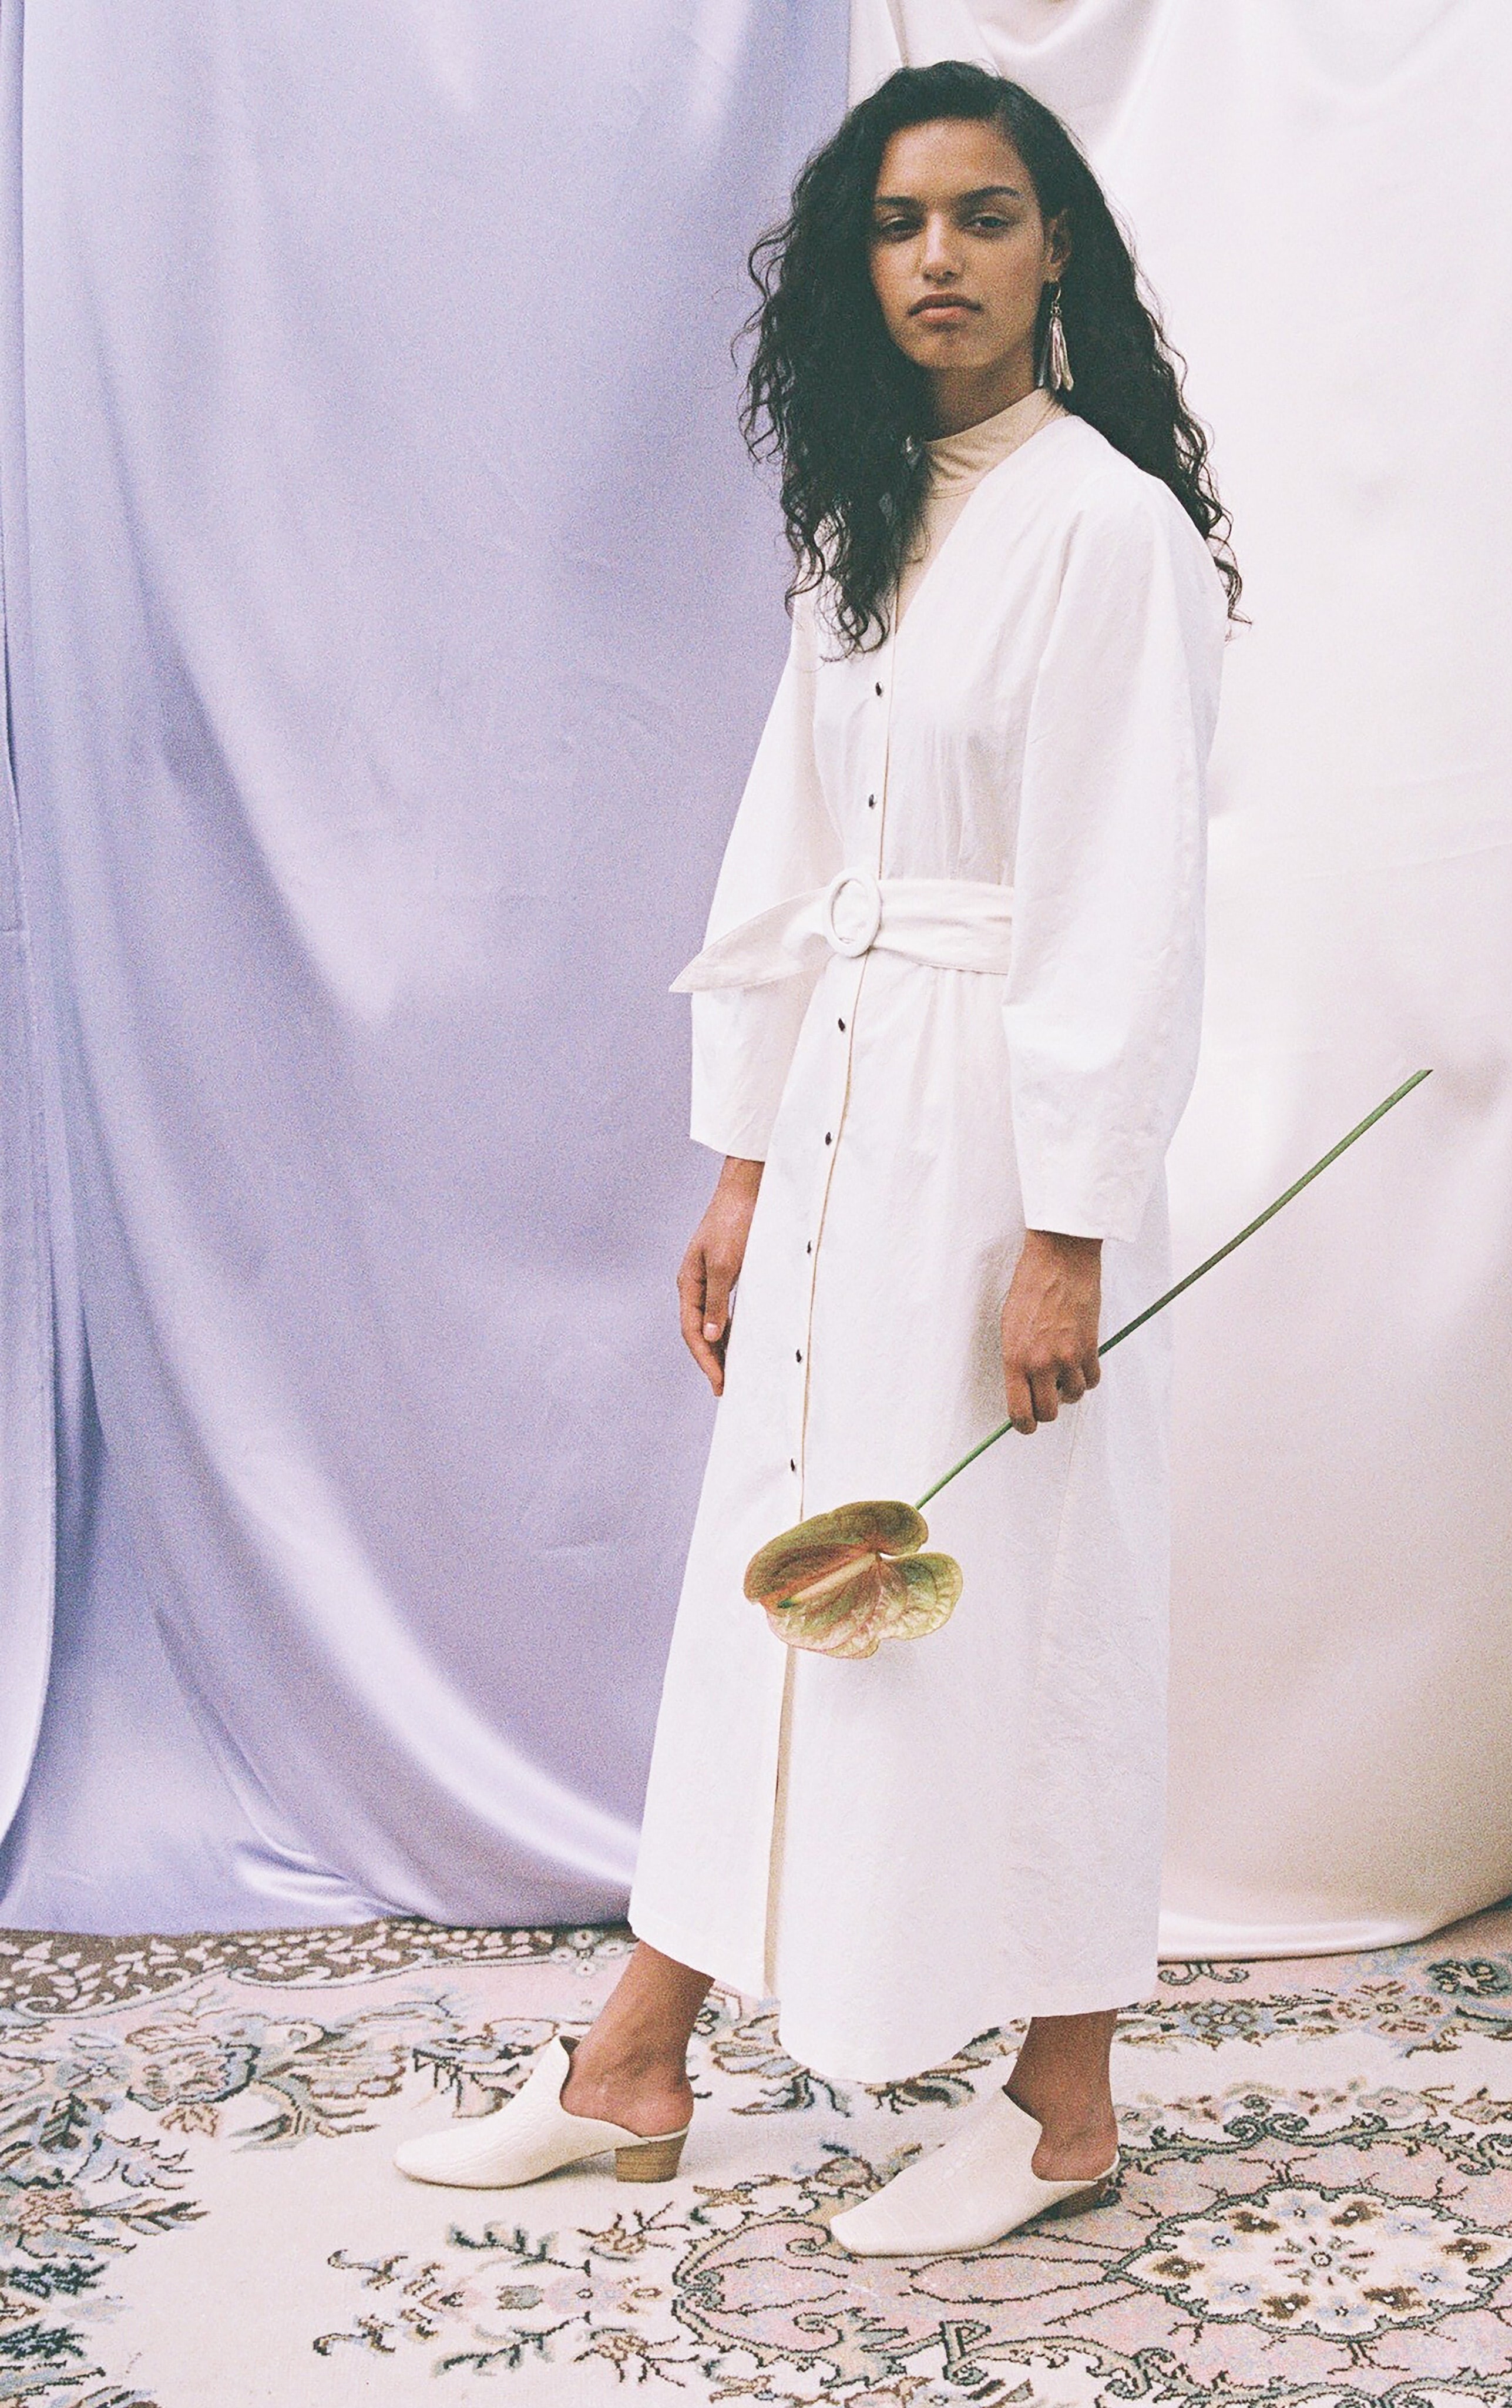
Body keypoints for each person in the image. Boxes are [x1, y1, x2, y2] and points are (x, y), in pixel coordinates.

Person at [397, 59, 1237, 2255]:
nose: (936, 257)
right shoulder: (868, 521)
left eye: (982, 215)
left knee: (1010, 1596)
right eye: (894, 221)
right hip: (843, 1119)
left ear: (1056, 251)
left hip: (995, 1148)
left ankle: (1062, 2103)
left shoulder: (1104, 529)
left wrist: (1067, 1227)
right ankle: (634, 2057)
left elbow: (1121, 903)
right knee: (782, 1578)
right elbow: (786, 860)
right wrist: (744, 1164)